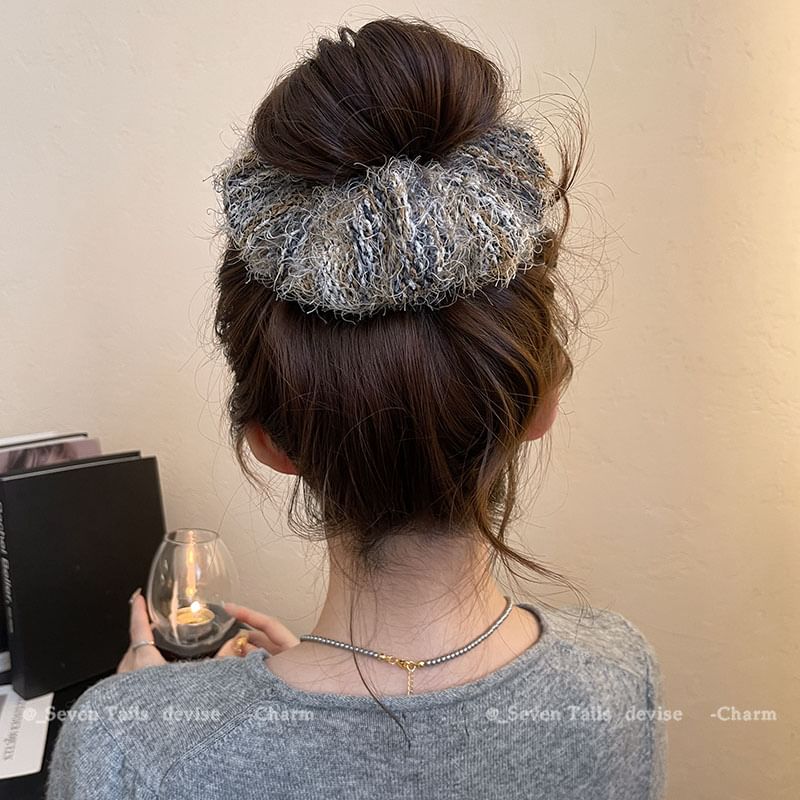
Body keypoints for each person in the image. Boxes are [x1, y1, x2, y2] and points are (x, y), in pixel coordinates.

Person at [45, 15, 666, 799]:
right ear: (540, 404)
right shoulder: (617, 676)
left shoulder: (129, 744)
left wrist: (147, 722)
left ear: (269, 442)